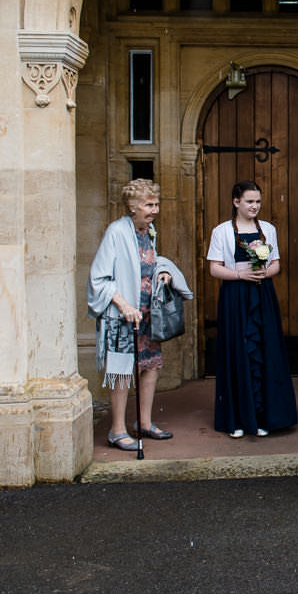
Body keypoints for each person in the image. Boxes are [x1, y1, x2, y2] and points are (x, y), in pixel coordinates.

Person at [87, 179, 175, 450]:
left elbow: (149, 263)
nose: (155, 210)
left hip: (148, 313)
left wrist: (163, 271)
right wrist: (124, 305)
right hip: (123, 316)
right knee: (122, 372)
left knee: (149, 367)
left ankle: (144, 423)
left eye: (156, 204)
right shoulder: (116, 232)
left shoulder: (149, 231)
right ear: (132, 207)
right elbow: (98, 278)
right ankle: (117, 430)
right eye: (149, 205)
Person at [207, 180, 297, 439]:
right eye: (249, 201)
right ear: (236, 202)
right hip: (235, 297)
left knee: (265, 350)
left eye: (258, 201)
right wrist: (239, 275)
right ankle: (237, 419)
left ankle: (264, 417)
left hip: (263, 294)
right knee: (237, 351)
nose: (255, 206)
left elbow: (276, 264)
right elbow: (215, 268)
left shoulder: (268, 229)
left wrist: (263, 272)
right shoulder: (221, 231)